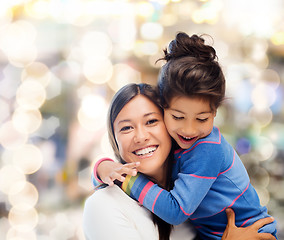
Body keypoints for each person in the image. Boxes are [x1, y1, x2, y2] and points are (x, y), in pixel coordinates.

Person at [93, 32, 277, 239]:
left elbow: (175, 211)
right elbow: (105, 180)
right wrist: (104, 168)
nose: (189, 130)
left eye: (202, 119)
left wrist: (126, 179)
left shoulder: (207, 149)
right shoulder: (174, 143)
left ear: (215, 113)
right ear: (164, 108)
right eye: (178, 117)